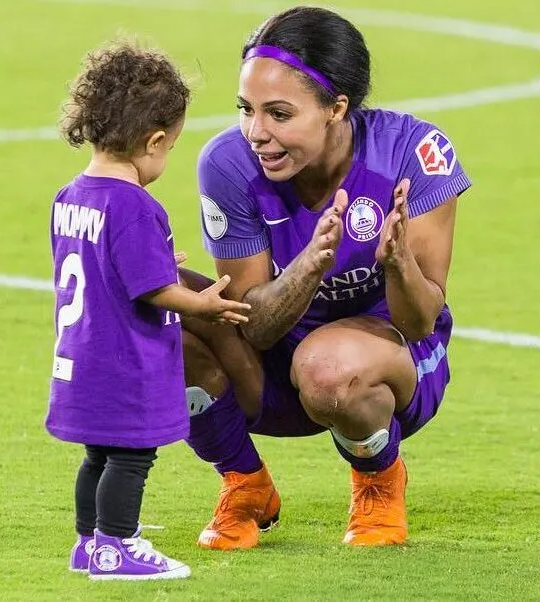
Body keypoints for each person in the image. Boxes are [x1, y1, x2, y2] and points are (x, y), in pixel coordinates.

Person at [179, 6, 472, 549]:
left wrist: (399, 263)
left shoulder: (413, 154)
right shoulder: (227, 164)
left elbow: (420, 319)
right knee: (157, 313)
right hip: (275, 354)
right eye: (246, 109)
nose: (256, 133)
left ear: (337, 107)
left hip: (386, 362)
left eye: (279, 114)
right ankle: (245, 483)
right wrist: (307, 267)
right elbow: (254, 327)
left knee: (328, 364)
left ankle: (378, 482)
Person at [45, 41, 252, 580]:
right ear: (154, 140)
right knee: (132, 457)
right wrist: (202, 302)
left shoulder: (71, 197)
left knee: (97, 456)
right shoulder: (135, 205)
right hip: (122, 363)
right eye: (171, 147)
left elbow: (101, 266)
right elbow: (153, 291)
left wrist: (153, 262)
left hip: (80, 358)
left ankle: (87, 543)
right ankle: (118, 546)